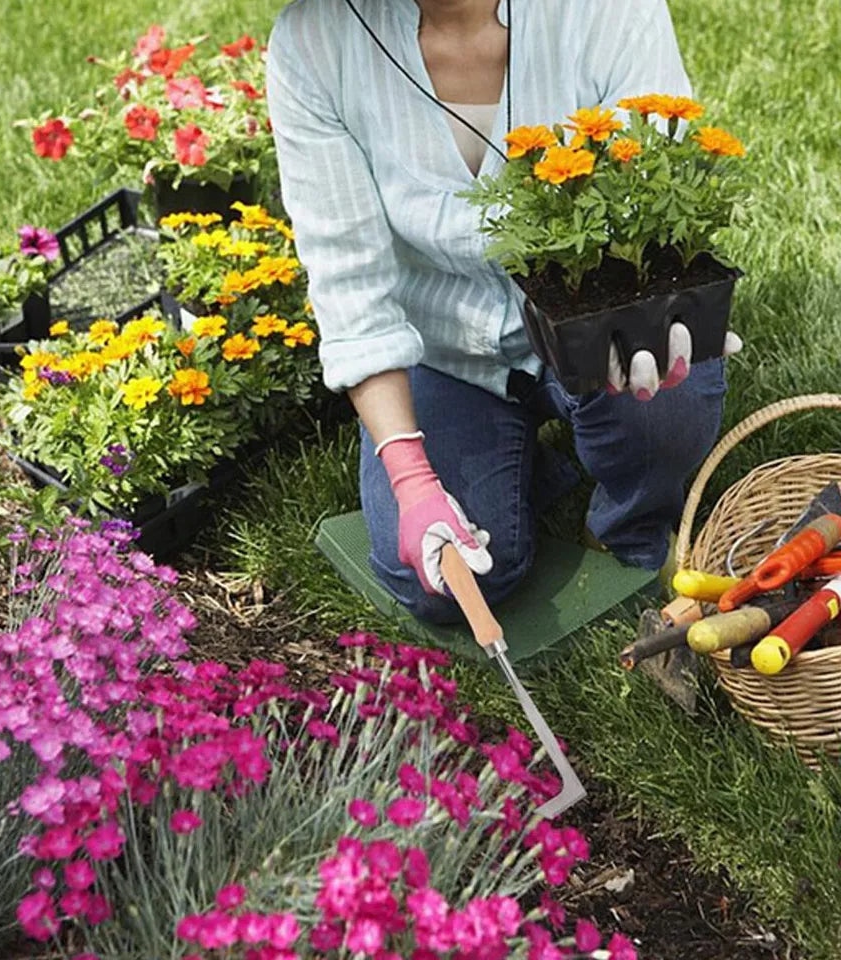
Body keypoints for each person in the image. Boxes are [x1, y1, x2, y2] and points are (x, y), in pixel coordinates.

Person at [266, 0, 738, 623]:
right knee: (440, 587)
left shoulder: (603, 10)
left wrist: (647, 311)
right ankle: (534, 468)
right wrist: (410, 478)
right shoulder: (316, 45)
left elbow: (653, 189)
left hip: (600, 322)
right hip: (443, 351)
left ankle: (629, 517)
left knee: (664, 406)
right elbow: (350, 283)